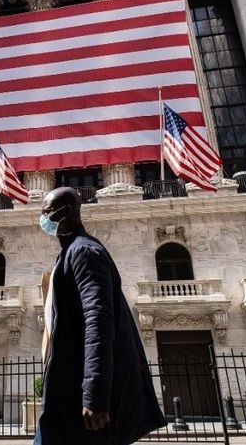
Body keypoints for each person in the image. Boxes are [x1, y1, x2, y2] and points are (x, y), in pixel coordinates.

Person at [35, 187, 166, 445]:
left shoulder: (84, 252)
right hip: (69, 390)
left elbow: (98, 322)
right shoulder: (71, 251)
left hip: (81, 397)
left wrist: (94, 394)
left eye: (47, 212)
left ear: (66, 212)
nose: (43, 219)